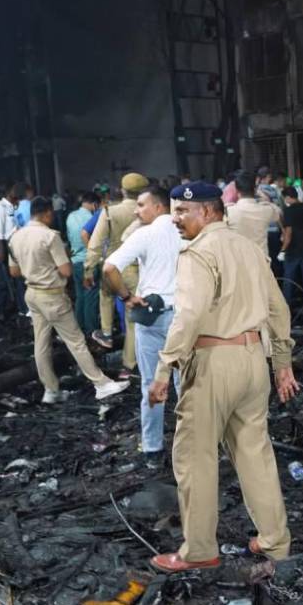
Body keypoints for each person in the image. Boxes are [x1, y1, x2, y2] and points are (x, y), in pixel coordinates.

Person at [145, 182, 298, 573]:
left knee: (195, 458)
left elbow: (189, 315)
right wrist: (282, 363)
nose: (175, 219)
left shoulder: (198, 253)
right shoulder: (248, 248)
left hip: (213, 362)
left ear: (209, 211)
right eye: (174, 211)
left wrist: (164, 369)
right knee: (255, 454)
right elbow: (278, 309)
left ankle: (198, 551)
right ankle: (275, 541)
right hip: (252, 360)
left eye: (183, 211)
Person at [8, 197, 129, 404]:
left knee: (41, 343)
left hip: (32, 294)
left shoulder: (15, 237)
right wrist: (54, 265)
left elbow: (14, 272)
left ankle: (50, 390)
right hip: (51, 294)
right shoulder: (49, 236)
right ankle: (101, 384)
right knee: (76, 341)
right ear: (47, 213)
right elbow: (66, 270)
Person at [103, 187, 182, 464]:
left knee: (151, 383)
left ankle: (152, 448)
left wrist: (127, 297)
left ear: (158, 207)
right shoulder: (188, 231)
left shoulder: (144, 234)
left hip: (152, 317)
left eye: (140, 205)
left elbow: (109, 268)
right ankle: (192, 445)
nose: (136, 211)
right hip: (184, 318)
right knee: (185, 383)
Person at [85, 173, 146, 365]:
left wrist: (88, 269)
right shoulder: (148, 211)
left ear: (122, 190)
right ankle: (130, 364)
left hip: (111, 266)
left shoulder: (110, 212)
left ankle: (106, 333)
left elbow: (95, 244)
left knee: (105, 295)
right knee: (132, 321)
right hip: (135, 270)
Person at [226, 172, 282, 259]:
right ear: (255, 189)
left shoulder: (228, 211)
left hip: (238, 260)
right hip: (261, 260)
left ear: (236, 190)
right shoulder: (266, 209)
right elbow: (279, 213)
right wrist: (266, 199)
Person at [67, 191, 100, 334]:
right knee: (91, 297)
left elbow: (69, 237)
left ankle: (78, 327)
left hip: (75, 261)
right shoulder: (93, 218)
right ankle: (91, 331)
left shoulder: (71, 216)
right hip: (89, 262)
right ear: (94, 204)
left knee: (80, 296)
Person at [0, 184, 22, 314]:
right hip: (4, 245)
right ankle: (0, 310)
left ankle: (19, 306)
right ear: (8, 191)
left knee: (17, 277)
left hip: (16, 244)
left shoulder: (14, 206)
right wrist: (1, 249)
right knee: (3, 279)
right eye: (15, 189)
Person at [280, 186, 303, 308]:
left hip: (293, 249)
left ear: (288, 197)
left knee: (288, 279)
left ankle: (286, 306)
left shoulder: (288, 211)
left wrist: (283, 249)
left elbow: (288, 233)